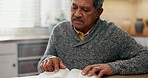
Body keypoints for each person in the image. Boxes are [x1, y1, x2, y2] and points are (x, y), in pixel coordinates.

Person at [38, 0, 148, 78]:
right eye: (74, 7)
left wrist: (112, 67)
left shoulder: (113, 33)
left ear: (98, 13)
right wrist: (47, 61)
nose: (77, 14)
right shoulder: (59, 30)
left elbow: (145, 58)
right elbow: (42, 64)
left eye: (85, 9)